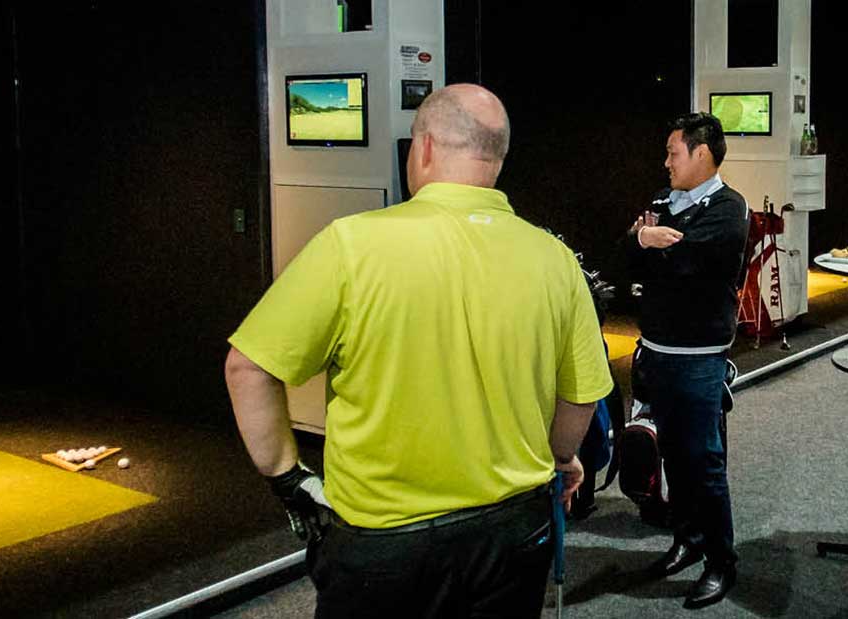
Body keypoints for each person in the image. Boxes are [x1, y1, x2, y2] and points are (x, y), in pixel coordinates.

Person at [223, 84, 612, 617]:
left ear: (424, 147)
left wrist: (291, 482)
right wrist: (562, 459)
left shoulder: (350, 244)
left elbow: (248, 367)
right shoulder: (554, 258)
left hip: (384, 544)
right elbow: (580, 397)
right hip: (512, 535)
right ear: (496, 158)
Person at [625, 112, 750, 609]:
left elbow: (693, 263)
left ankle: (721, 561)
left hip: (699, 359)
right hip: (656, 352)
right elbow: (627, 253)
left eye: (674, 152)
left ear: (702, 154)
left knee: (704, 463)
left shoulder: (728, 207)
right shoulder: (662, 201)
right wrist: (642, 241)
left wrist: (654, 244)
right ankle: (687, 541)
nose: (666, 162)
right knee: (673, 457)